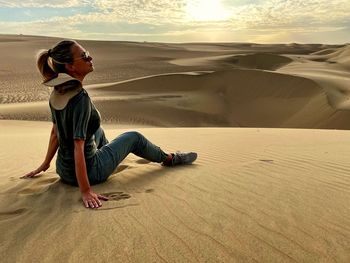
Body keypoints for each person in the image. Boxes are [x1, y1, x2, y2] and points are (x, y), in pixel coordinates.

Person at [22, 40, 197, 209]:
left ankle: (108, 153)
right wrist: (86, 191)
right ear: (70, 67)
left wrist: (45, 164)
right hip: (90, 173)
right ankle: (170, 159)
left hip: (63, 170)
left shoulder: (56, 92)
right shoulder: (80, 99)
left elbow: (56, 132)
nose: (90, 58)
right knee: (134, 137)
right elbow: (78, 146)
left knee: (97, 130)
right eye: (84, 56)